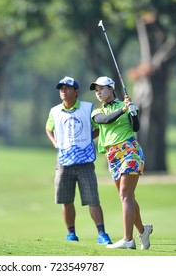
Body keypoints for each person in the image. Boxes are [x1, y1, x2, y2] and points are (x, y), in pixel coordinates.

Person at [45, 76, 112, 244]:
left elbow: (98, 128)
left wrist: (88, 139)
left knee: (92, 199)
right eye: (61, 88)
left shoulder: (88, 108)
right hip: (64, 161)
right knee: (66, 200)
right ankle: (71, 234)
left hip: (85, 162)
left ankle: (102, 234)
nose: (63, 90)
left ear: (76, 91)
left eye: (67, 88)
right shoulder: (54, 111)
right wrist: (54, 142)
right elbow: (48, 128)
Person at [89, 76, 153, 250]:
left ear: (111, 89)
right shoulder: (96, 112)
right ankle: (143, 230)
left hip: (130, 150)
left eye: (102, 88)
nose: (99, 92)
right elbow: (106, 120)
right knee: (127, 197)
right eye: (96, 90)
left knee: (125, 195)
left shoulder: (126, 106)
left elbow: (136, 127)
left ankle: (128, 240)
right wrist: (124, 109)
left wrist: (132, 111)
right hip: (112, 155)